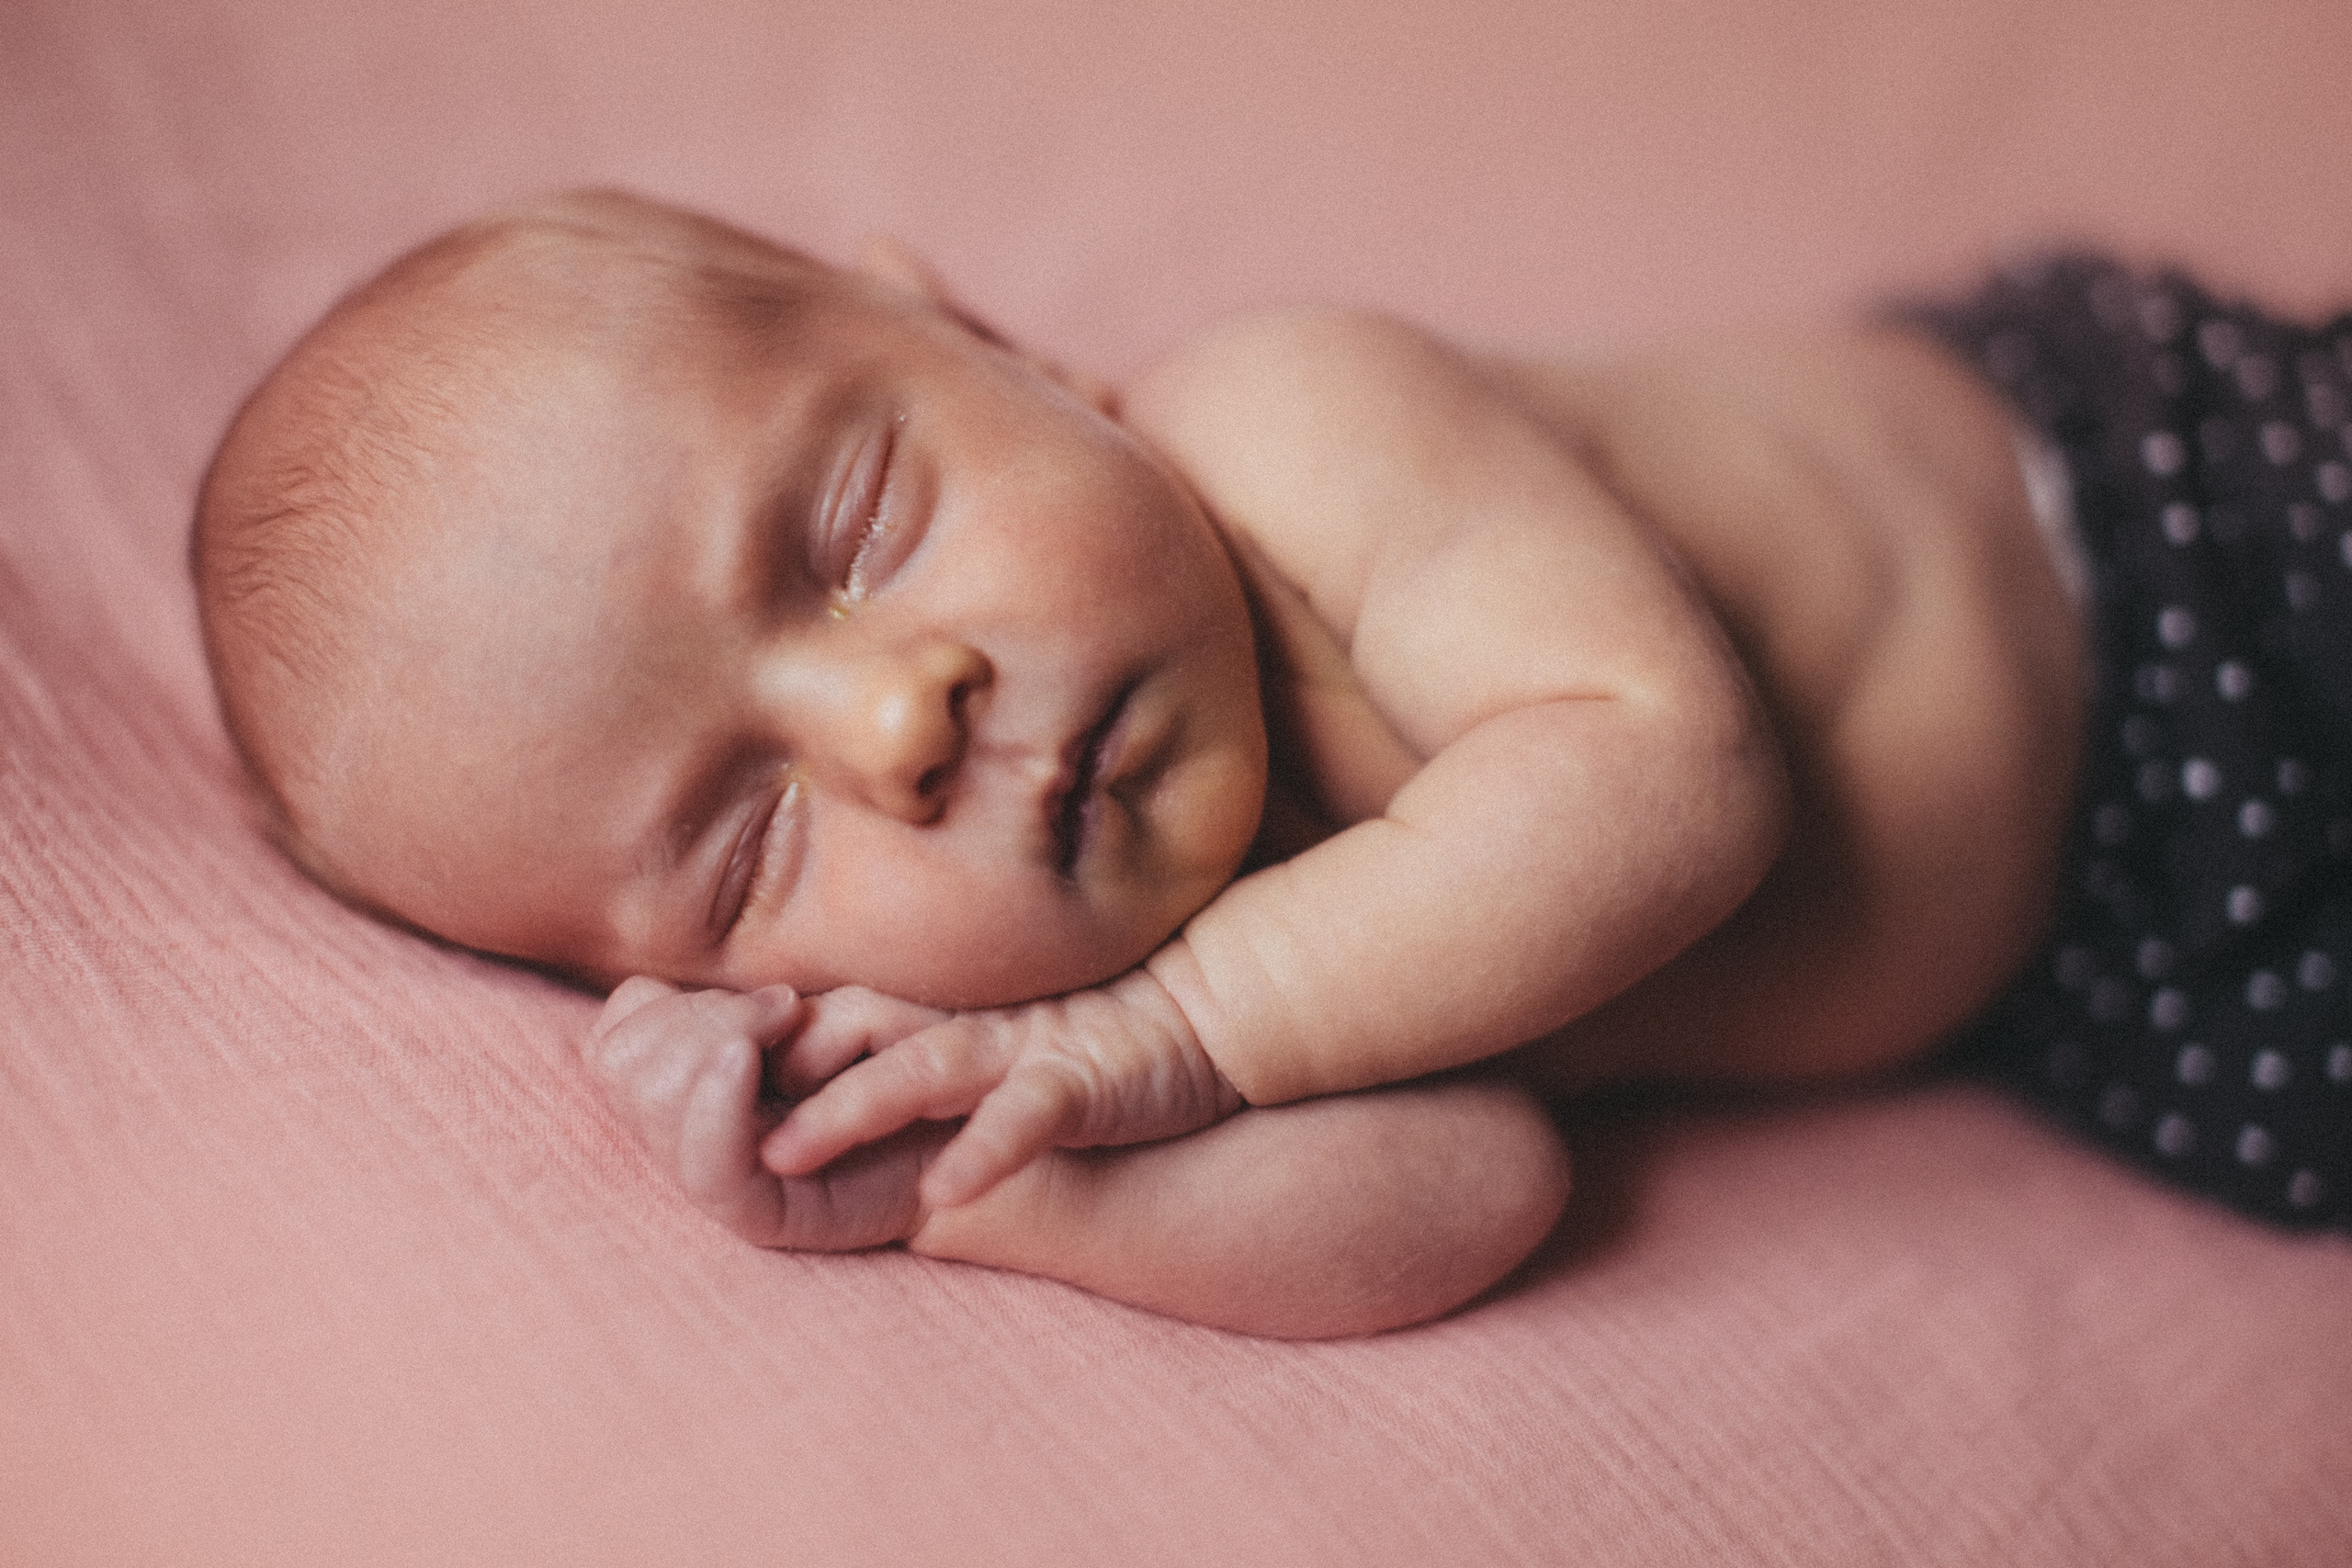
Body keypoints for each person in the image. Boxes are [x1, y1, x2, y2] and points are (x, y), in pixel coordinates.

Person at [191, 191, 2346, 1337]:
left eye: (849, 538)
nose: (894, 721)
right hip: (2115, 953)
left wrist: (1178, 1029)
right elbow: (1462, 1190)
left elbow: (1671, 775)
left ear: (985, 344)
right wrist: (966, 1177)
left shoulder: (1287, 423)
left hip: (2173, 546)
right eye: (751, 841)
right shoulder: (1063, 984)